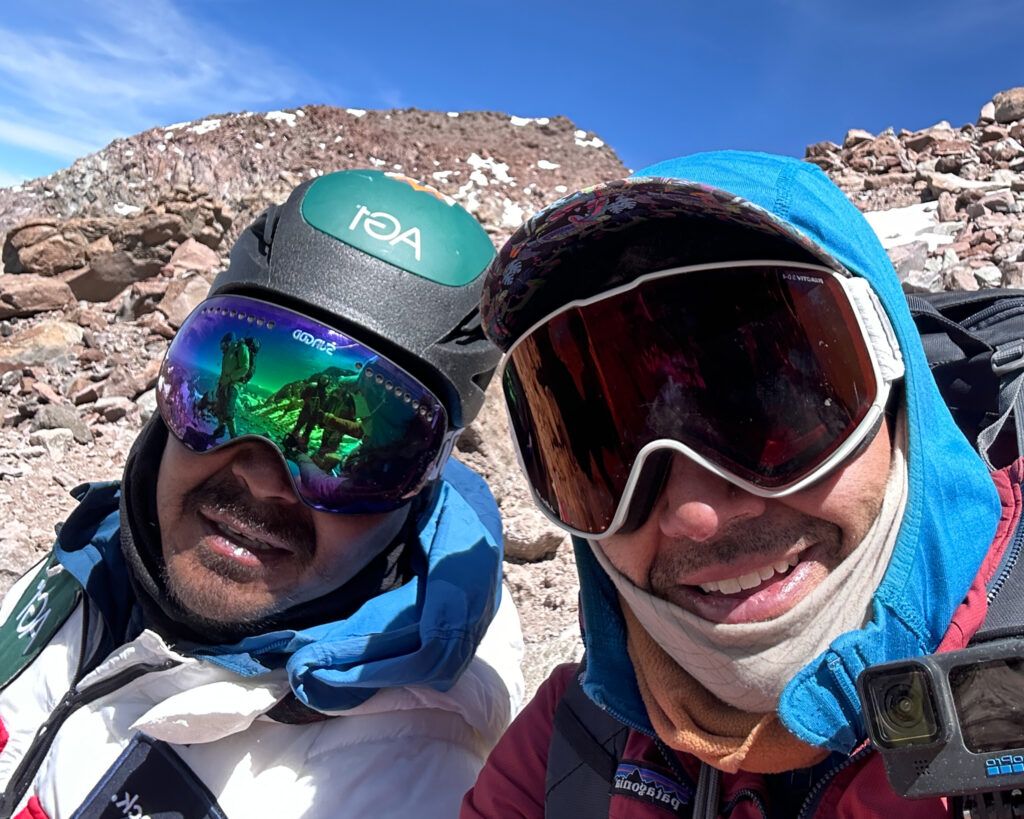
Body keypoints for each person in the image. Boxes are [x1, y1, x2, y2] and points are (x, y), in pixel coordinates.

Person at [462, 151, 1020, 817]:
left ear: (899, 389)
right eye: (605, 446)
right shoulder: (569, 746)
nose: (696, 513)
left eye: (776, 404)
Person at [0, 169, 523, 818]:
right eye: (222, 397)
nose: (261, 476)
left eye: (349, 454)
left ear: (420, 487)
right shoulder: (97, 546)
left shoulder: (404, 780)